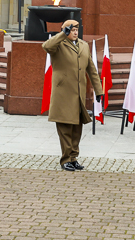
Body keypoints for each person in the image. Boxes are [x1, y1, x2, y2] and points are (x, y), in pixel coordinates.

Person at [42, 19, 103, 171]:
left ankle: (73, 157)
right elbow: (46, 46)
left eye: (76, 30)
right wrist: (63, 34)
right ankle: (66, 159)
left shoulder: (83, 45)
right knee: (65, 127)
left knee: (77, 127)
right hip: (63, 93)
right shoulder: (58, 44)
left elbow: (91, 69)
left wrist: (98, 90)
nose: (75, 33)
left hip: (78, 94)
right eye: (72, 30)